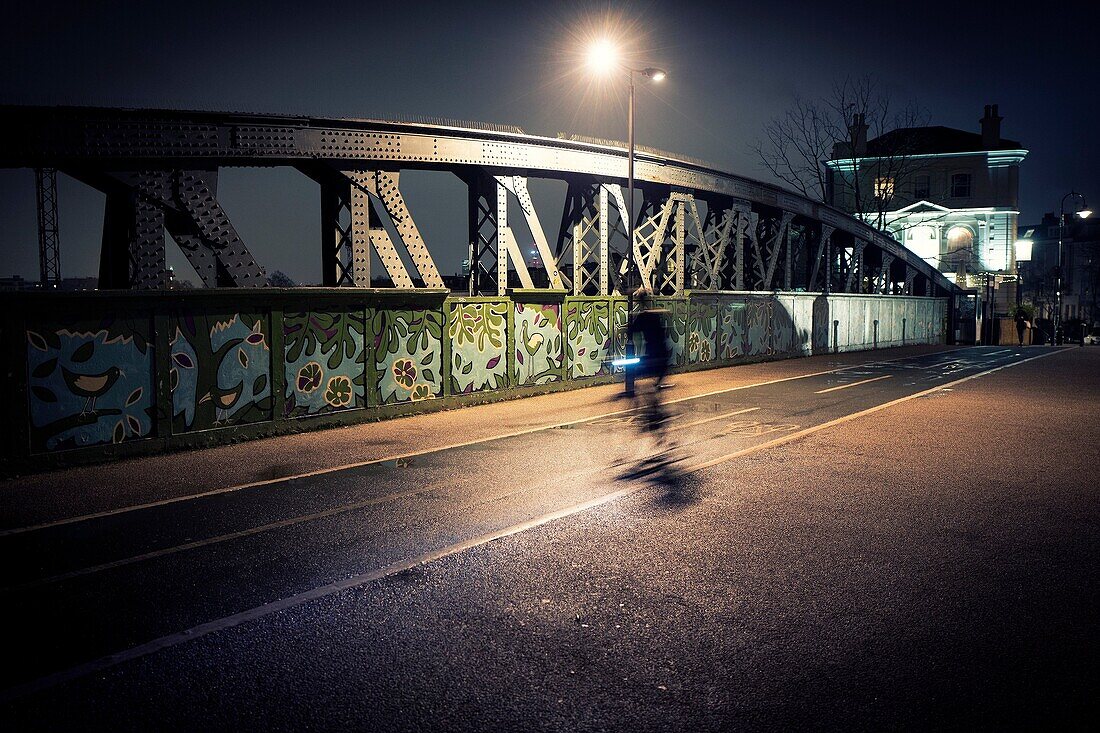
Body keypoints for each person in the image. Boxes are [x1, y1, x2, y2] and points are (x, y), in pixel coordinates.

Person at [626, 289, 671, 444]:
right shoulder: (654, 315)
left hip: (655, 357)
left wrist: (628, 325)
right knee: (651, 386)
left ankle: (654, 416)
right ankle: (654, 408)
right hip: (661, 356)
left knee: (642, 381)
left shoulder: (644, 316)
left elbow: (631, 331)